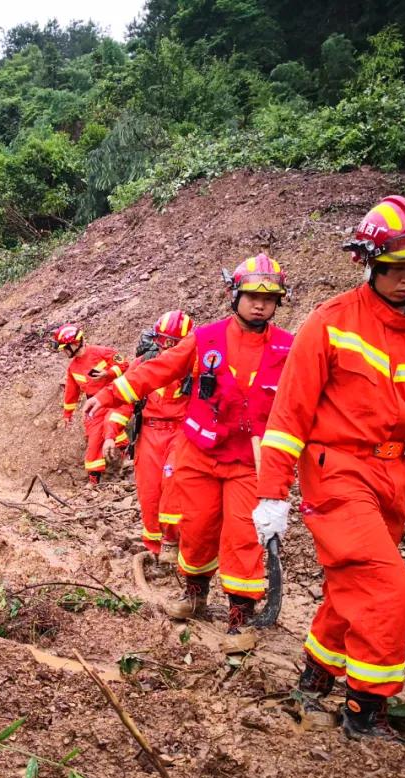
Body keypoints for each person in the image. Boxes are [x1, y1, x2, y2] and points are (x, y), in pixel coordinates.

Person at [252, 196, 405, 741]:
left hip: (392, 476)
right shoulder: (329, 324)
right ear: (371, 262)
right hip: (336, 471)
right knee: (384, 588)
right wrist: (273, 493)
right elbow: (289, 417)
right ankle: (366, 709)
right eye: (399, 269)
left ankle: (316, 673)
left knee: (352, 583)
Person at [85, 255, 292, 650]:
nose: (260, 304)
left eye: (269, 298)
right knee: (195, 527)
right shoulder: (206, 339)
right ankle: (195, 595)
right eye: (251, 296)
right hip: (199, 452)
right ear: (235, 295)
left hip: (249, 461)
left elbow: (303, 403)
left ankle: (240, 615)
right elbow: (157, 370)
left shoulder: (289, 347)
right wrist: (110, 394)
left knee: (241, 535)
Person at [101, 312, 194, 560]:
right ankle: (154, 548)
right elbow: (123, 402)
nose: (168, 348)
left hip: (182, 432)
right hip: (149, 434)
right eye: (163, 341)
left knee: (174, 484)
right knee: (149, 492)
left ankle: (175, 542)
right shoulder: (144, 363)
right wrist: (110, 434)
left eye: (174, 343)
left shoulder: (196, 365)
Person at [52, 324, 129, 486]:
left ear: (75, 343)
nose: (64, 352)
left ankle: (128, 463)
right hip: (94, 405)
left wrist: (107, 374)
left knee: (113, 425)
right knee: (93, 441)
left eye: (65, 348)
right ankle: (94, 481)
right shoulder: (73, 368)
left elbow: (125, 365)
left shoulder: (101, 352)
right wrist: (67, 415)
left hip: (114, 398)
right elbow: (71, 393)